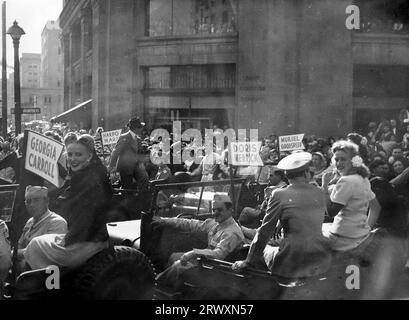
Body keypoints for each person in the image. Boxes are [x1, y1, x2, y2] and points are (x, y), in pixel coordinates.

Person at [232, 152, 332, 278]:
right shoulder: (319, 192)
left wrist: (247, 261)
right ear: (306, 173)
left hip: (292, 257)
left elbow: (265, 231)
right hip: (319, 255)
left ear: (286, 175)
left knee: (263, 248)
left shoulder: (279, 194)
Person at [23, 135, 113, 270]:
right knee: (36, 242)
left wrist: (67, 239)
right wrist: (44, 197)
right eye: (70, 154)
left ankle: (51, 287)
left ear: (89, 156)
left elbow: (87, 215)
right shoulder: (81, 174)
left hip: (89, 240)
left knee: (35, 246)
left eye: (78, 155)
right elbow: (65, 192)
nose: (73, 159)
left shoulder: (92, 180)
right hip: (78, 235)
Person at [155, 193, 245, 290]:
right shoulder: (217, 223)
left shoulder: (231, 233)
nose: (215, 213)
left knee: (178, 266)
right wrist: (163, 220)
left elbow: (219, 254)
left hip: (219, 271)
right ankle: (171, 288)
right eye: (214, 210)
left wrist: (194, 253)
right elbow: (190, 224)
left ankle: (156, 286)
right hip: (207, 263)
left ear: (230, 211)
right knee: (174, 256)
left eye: (219, 210)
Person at [321, 140, 381, 252]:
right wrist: (366, 229)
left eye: (343, 159)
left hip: (342, 238)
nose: (338, 163)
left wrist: (324, 186)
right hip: (361, 236)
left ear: (353, 161)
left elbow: (331, 212)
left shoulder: (346, 181)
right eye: (336, 159)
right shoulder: (363, 178)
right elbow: (376, 207)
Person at [18, 186, 67, 259]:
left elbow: (46, 252)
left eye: (36, 200)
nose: (32, 205)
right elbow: (19, 245)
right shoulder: (30, 222)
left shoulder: (57, 223)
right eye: (28, 201)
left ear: (46, 201)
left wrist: (16, 253)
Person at [108, 117, 149, 191]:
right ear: (137, 128)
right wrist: (111, 166)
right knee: (127, 189)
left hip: (136, 167)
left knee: (144, 181)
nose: (141, 129)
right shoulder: (124, 137)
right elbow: (116, 152)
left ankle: (141, 199)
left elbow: (139, 153)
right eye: (140, 127)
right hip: (125, 168)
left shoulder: (138, 139)